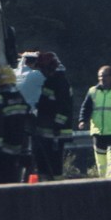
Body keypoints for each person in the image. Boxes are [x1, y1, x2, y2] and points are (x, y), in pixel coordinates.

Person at [32, 51, 73, 180]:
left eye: (42, 68)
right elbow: (48, 103)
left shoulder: (60, 82)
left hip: (55, 132)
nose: (41, 71)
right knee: (44, 164)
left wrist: (57, 126)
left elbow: (64, 107)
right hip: (47, 131)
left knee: (54, 166)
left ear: (49, 67)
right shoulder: (51, 80)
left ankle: (57, 188)